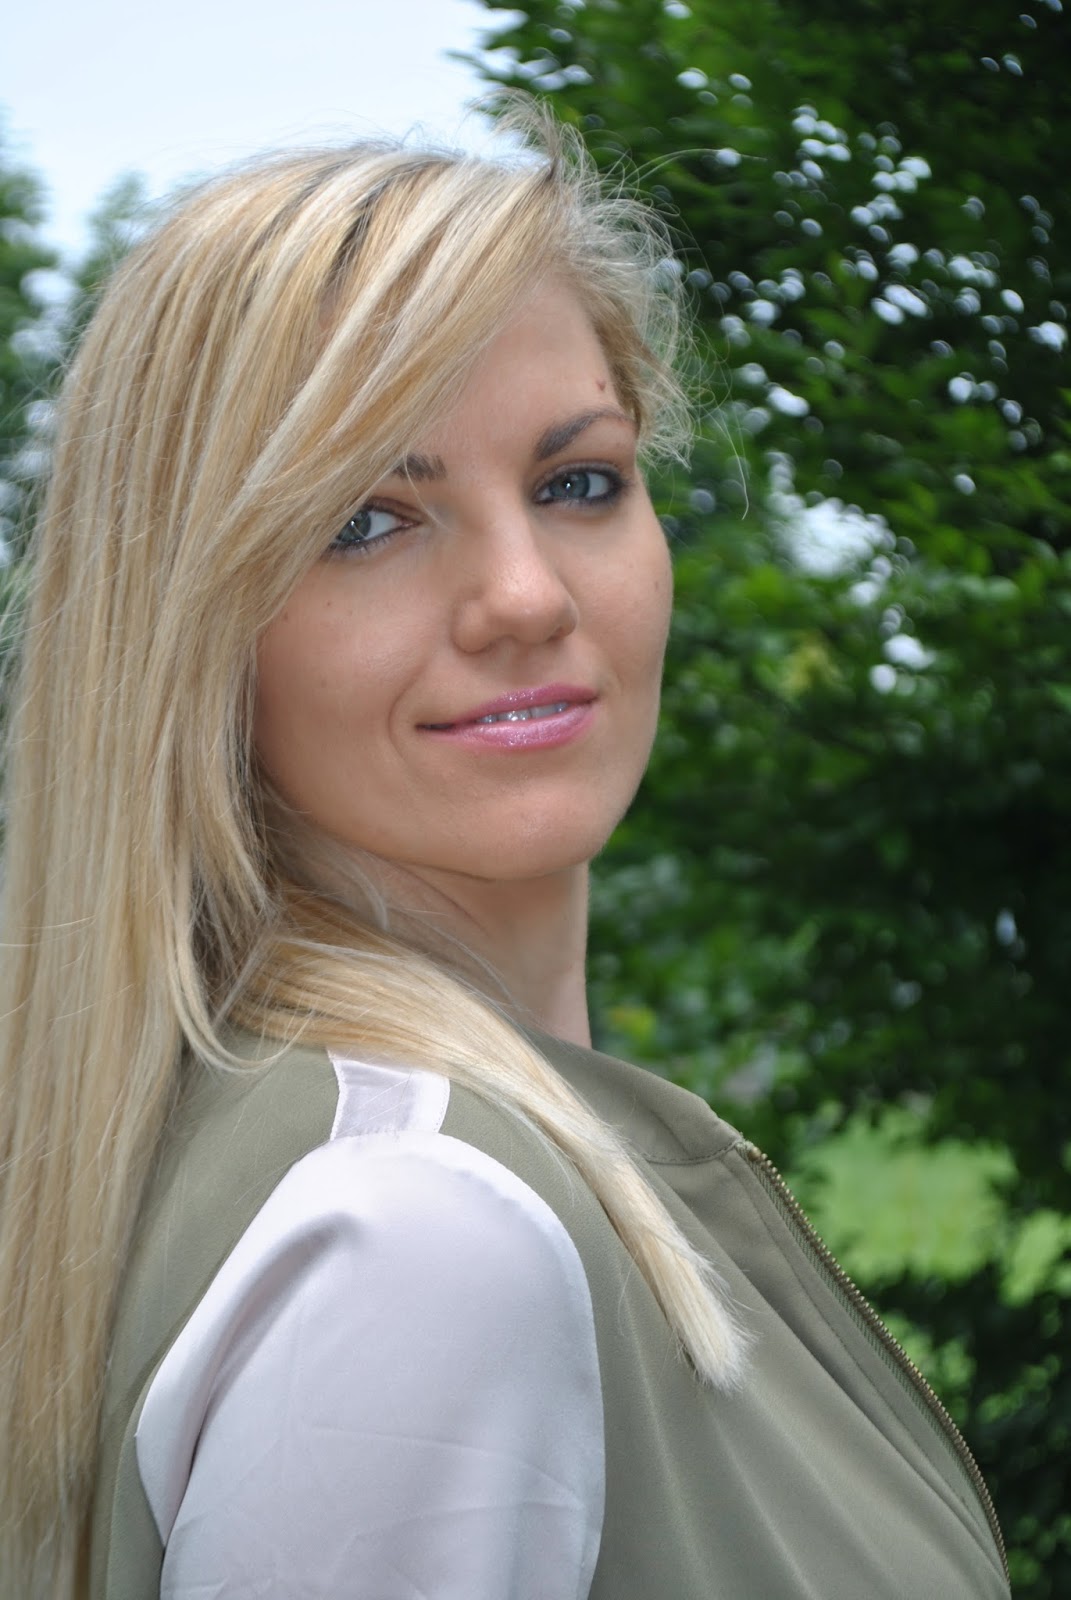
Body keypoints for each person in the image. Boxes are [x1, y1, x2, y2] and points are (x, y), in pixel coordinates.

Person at [0, 112, 1010, 1600]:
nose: (526, 596)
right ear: (188, 625)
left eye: (577, 482)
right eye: (366, 520)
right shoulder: (422, 1229)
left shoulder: (267, 1151)